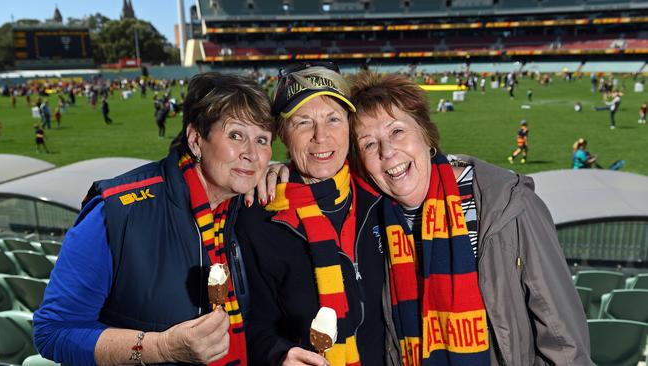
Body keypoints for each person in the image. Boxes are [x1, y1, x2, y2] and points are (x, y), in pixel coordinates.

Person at [347, 72, 591, 365]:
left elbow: (564, 342)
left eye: (397, 131)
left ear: (426, 133)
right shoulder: (374, 218)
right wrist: (278, 172)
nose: (387, 152)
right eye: (369, 144)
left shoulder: (507, 202)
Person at [33, 72, 275, 365]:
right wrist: (161, 348)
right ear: (196, 140)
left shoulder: (248, 208)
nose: (252, 153)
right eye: (236, 135)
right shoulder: (119, 211)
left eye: (262, 140)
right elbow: (53, 332)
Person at [236, 62, 391, 366]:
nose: (321, 136)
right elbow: (251, 324)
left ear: (350, 126)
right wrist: (278, 354)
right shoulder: (259, 216)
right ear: (282, 133)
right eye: (303, 122)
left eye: (333, 119)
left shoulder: (382, 196)